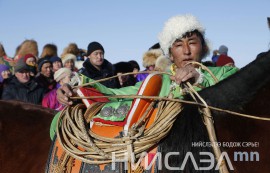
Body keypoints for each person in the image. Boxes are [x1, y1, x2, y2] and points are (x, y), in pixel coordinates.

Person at [53, 14, 238, 137]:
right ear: (170, 53)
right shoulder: (158, 82)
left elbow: (241, 83)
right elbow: (115, 94)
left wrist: (199, 77)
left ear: (204, 47)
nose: (187, 51)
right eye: (179, 45)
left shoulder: (221, 72)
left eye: (192, 42)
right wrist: (76, 88)